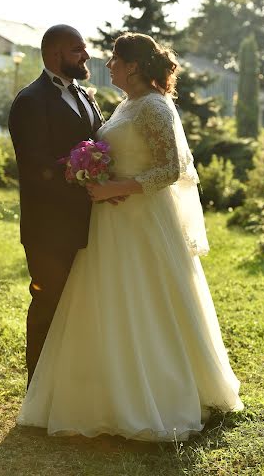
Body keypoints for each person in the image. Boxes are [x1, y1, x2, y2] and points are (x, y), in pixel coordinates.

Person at [16, 32, 243, 441]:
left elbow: (171, 169)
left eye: (115, 59)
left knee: (146, 302)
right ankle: (102, 389)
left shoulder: (155, 107)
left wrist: (115, 188)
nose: (105, 63)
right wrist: (96, 178)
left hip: (139, 221)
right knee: (107, 304)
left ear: (134, 66)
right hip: (104, 221)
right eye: (79, 50)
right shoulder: (124, 104)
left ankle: (156, 392)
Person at [8, 24, 104, 386]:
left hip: (90, 220)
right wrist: (82, 183)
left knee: (81, 306)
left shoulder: (84, 94)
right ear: (54, 54)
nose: (86, 55)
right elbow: (35, 168)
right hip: (49, 228)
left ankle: (71, 387)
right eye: (77, 50)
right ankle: (38, 390)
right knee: (48, 305)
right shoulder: (30, 101)